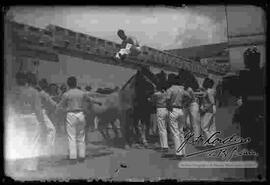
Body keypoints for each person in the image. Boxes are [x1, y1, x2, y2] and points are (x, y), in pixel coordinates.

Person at [57, 76, 102, 163]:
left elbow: (60, 105)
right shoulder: (82, 93)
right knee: (81, 136)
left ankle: (73, 157)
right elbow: (90, 99)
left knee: (72, 137)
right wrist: (98, 102)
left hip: (71, 115)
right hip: (81, 114)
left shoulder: (66, 94)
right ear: (76, 83)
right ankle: (82, 156)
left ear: (68, 84)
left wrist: (57, 108)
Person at [10, 72, 46, 171]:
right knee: (33, 142)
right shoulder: (34, 92)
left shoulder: (14, 92)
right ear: (26, 80)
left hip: (18, 118)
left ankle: (20, 165)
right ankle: (31, 166)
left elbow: (11, 107)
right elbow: (37, 109)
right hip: (31, 117)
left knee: (20, 141)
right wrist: (42, 123)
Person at [166, 75, 191, 159]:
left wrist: (169, 106)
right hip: (181, 110)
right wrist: (184, 104)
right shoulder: (182, 89)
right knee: (181, 132)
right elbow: (189, 97)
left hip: (173, 110)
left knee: (175, 133)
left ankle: (178, 153)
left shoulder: (170, 89)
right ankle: (183, 152)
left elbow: (168, 100)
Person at [38, 79, 57, 157]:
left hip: (36, 113)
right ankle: (49, 150)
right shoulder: (43, 93)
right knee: (52, 130)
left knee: (41, 132)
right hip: (41, 113)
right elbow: (52, 103)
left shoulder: (36, 92)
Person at [149, 83, 169, 153]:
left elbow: (152, 101)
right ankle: (165, 144)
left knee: (162, 129)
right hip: (166, 110)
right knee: (165, 128)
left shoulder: (156, 94)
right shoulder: (166, 93)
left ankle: (164, 146)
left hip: (160, 109)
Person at [200, 78, 217, 143]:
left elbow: (211, 102)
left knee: (204, 127)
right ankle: (213, 142)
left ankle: (209, 142)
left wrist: (205, 109)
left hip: (209, 109)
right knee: (212, 127)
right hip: (213, 108)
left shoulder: (208, 92)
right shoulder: (212, 90)